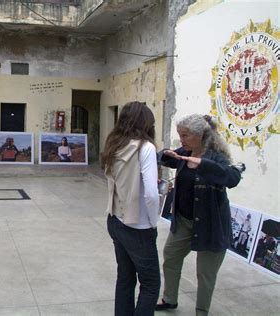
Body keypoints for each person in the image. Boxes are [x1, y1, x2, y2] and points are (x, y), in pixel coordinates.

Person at [156, 114, 242, 316]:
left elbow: (232, 177)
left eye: (185, 135)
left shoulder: (216, 157)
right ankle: (169, 299)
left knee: (205, 273)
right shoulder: (185, 151)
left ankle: (201, 311)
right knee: (171, 257)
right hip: (184, 221)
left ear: (200, 135)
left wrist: (203, 164)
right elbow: (164, 158)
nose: (181, 140)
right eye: (180, 135)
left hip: (210, 225)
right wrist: (167, 154)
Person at [102, 101, 160, 316]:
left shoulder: (114, 144)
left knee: (125, 278)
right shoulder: (145, 147)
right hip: (139, 226)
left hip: (115, 220)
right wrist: (153, 222)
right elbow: (152, 194)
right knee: (151, 284)